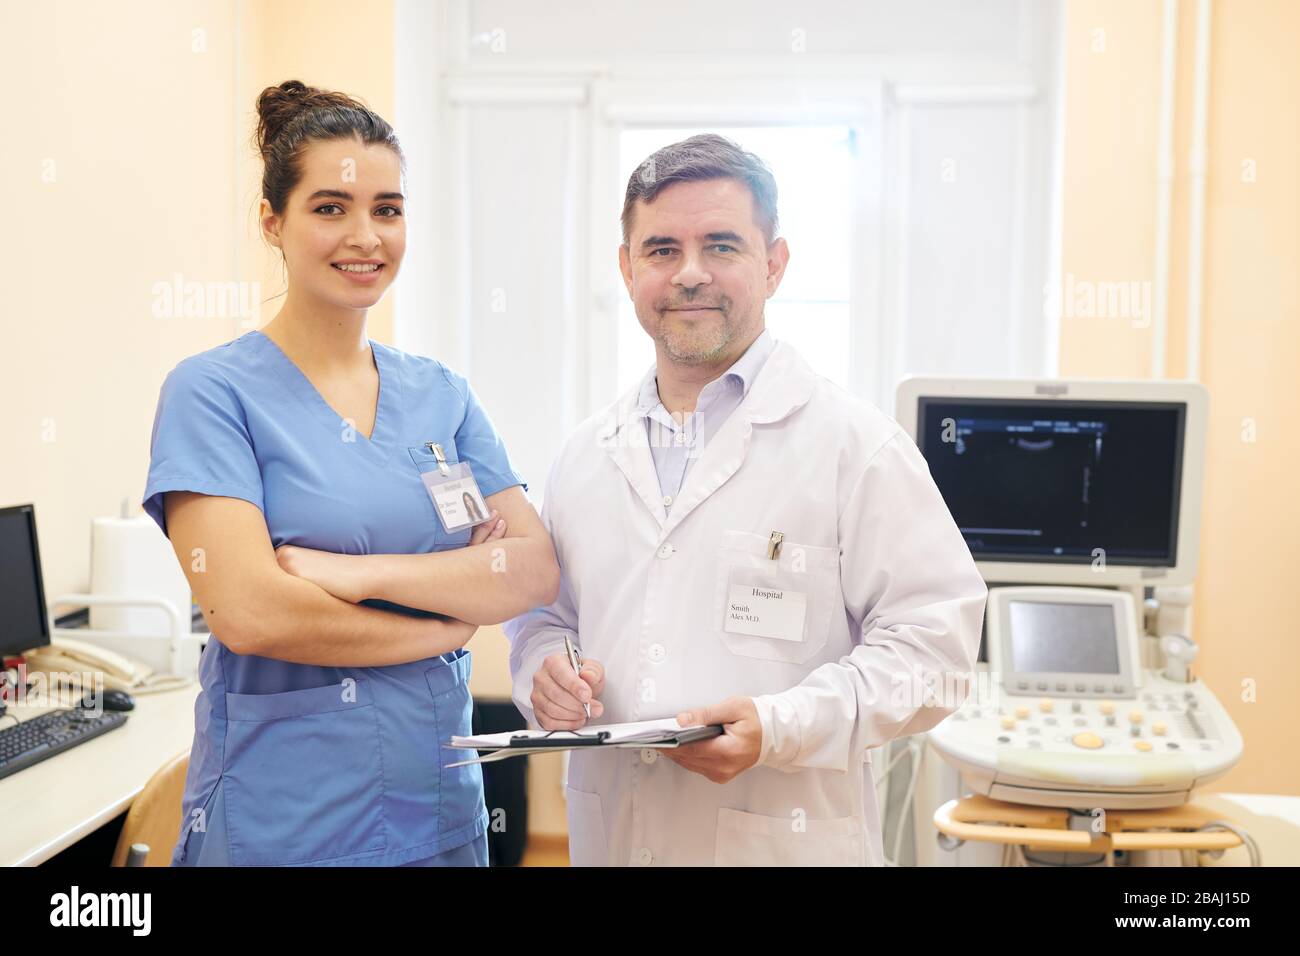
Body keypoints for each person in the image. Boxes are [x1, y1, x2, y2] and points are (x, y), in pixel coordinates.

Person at [504, 134, 987, 866]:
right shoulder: (584, 456)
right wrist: (546, 672)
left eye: (721, 246)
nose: (690, 273)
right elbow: (547, 619)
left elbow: (936, 652)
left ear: (774, 263)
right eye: (662, 249)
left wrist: (783, 724)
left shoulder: (855, 449)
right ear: (627, 266)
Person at [143, 80, 559, 867]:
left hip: (436, 809)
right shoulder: (212, 393)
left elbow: (530, 566)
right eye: (330, 207)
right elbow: (251, 613)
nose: (365, 236)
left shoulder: (440, 394)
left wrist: (344, 571)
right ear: (273, 221)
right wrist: (444, 623)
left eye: (388, 209)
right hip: (284, 823)